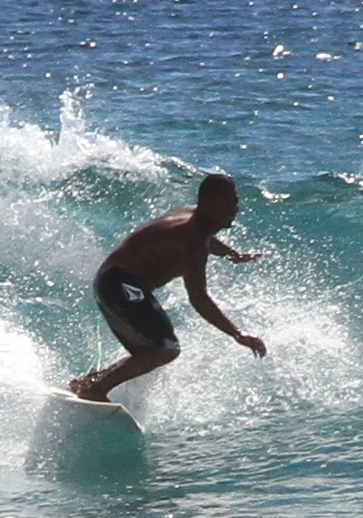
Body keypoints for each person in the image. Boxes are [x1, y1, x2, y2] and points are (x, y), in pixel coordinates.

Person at [69, 172, 267, 402]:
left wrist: (232, 255)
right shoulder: (193, 240)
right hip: (120, 282)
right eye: (229, 203)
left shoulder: (192, 218)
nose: (235, 209)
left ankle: (89, 383)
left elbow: (207, 238)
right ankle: (95, 390)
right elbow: (199, 298)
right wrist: (237, 334)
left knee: (150, 351)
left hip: (112, 281)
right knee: (166, 348)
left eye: (236, 201)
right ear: (210, 203)